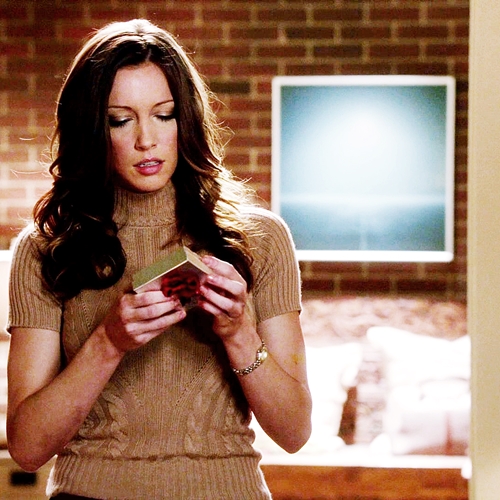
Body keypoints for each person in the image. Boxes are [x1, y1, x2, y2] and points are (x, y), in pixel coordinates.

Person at [6, 18, 312, 500]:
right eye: (120, 120)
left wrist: (239, 334)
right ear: (92, 129)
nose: (146, 139)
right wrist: (108, 342)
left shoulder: (261, 238)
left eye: (164, 115)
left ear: (185, 119)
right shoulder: (47, 248)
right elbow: (27, 448)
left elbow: (294, 432)